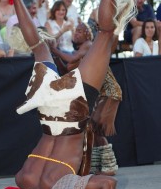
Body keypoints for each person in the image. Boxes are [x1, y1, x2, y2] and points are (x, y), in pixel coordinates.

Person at [0, 0, 136, 189]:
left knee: (104, 34)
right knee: (38, 47)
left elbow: (106, 185)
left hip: (71, 113)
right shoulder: (22, 178)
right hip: (46, 109)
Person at [50, 22, 120, 176]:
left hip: (108, 92)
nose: (77, 33)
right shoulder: (79, 54)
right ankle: (97, 165)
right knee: (92, 128)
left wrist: (54, 48)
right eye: (76, 31)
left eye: (81, 31)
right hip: (98, 93)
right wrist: (54, 54)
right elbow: (66, 69)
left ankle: (109, 166)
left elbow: (71, 58)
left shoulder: (89, 46)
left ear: (88, 35)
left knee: (95, 127)